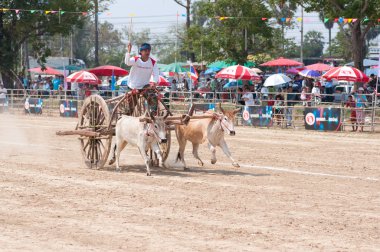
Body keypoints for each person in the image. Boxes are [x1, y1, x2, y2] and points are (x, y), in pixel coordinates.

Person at [125, 42, 159, 114]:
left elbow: (156, 74)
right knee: (130, 107)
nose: (147, 52)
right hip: (133, 86)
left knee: (153, 96)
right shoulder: (136, 59)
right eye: (145, 50)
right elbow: (127, 62)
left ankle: (153, 113)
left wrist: (154, 82)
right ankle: (127, 116)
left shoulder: (153, 62)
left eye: (149, 50)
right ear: (141, 52)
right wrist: (128, 51)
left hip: (145, 86)